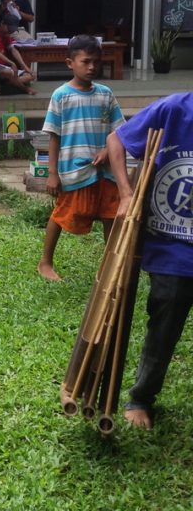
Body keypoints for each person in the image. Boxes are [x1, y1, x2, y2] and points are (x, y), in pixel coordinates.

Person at [106, 92, 193, 430]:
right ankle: (141, 397)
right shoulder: (174, 110)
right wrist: (126, 194)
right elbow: (116, 140)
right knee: (165, 320)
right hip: (172, 247)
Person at [39, 35, 125, 281]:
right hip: (74, 171)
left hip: (105, 171)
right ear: (70, 63)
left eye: (96, 62)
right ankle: (45, 262)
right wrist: (52, 173)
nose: (92, 67)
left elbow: (120, 130)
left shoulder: (106, 94)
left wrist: (108, 151)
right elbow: (54, 136)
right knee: (62, 214)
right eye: (86, 61)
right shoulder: (61, 96)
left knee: (111, 215)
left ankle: (110, 266)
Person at [0, 13, 36, 95]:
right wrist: (11, 63)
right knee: (8, 73)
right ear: (2, 23)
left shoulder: (7, 36)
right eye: (8, 28)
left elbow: (13, 50)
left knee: (31, 76)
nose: (9, 32)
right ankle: (24, 88)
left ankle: (7, 84)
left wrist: (25, 67)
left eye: (11, 30)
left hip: (3, 71)